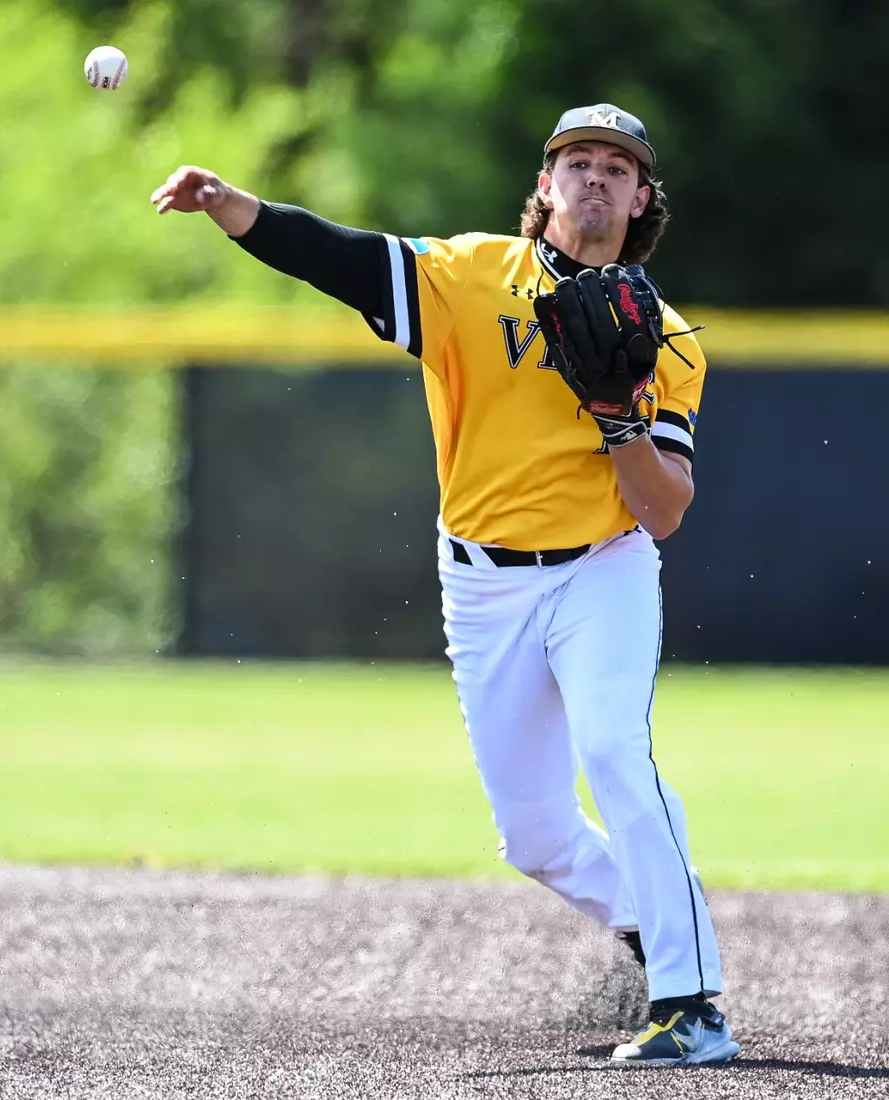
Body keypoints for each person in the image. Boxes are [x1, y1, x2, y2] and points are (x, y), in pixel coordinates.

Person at [152, 103, 736, 1066]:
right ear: (544, 188)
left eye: (617, 168)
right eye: (576, 161)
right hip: (481, 583)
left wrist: (616, 417)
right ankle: (659, 904)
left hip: (602, 568)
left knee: (614, 752)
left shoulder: (666, 339)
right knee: (537, 839)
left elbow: (664, 510)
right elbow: (336, 256)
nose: (595, 177)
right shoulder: (468, 277)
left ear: (641, 200)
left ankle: (691, 1004)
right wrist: (232, 206)